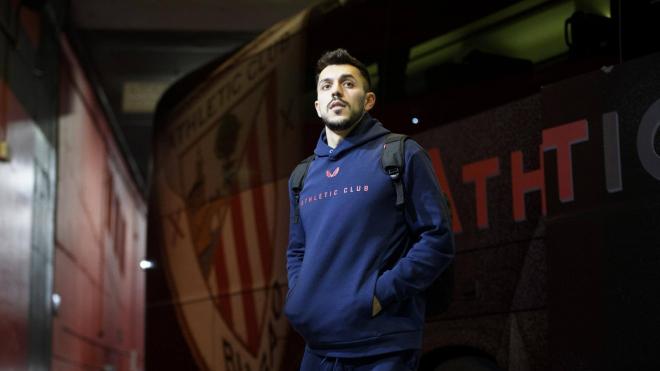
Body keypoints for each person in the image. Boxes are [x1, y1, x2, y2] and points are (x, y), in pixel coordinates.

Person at [284, 48, 454, 371]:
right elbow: (297, 249)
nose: (336, 90)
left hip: (382, 345)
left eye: (348, 83)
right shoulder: (302, 176)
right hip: (318, 348)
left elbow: (437, 239)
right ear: (318, 107)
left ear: (369, 100)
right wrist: (300, 297)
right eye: (326, 86)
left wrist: (380, 295)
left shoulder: (402, 154)